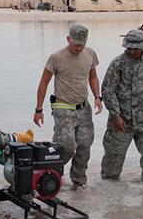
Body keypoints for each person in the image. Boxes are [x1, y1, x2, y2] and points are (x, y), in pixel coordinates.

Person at [33, 24, 102, 190]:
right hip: (63, 107)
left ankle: (78, 181)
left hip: (83, 107)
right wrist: (38, 110)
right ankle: (50, 175)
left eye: (81, 45)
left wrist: (98, 97)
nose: (78, 48)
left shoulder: (90, 54)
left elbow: (93, 77)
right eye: (75, 44)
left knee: (85, 144)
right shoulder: (56, 57)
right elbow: (43, 83)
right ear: (68, 39)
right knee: (66, 147)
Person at [101, 29, 143, 183]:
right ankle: (110, 195)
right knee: (113, 159)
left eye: (135, 48)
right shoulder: (117, 63)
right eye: (129, 48)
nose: (131, 51)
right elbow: (107, 90)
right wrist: (115, 115)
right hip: (121, 120)